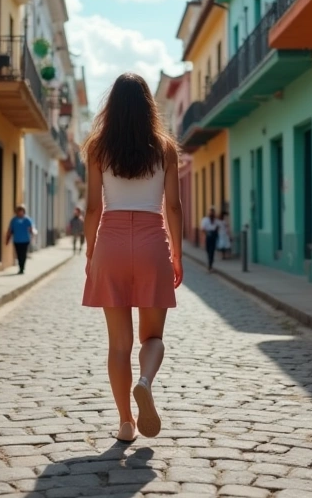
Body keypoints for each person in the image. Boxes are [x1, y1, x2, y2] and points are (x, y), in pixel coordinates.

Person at [81, 73, 183, 443]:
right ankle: (145, 381)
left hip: (111, 239)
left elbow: (93, 207)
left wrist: (92, 251)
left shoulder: (97, 148)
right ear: (148, 107)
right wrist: (178, 254)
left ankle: (126, 422)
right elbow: (173, 205)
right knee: (152, 337)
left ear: (112, 108)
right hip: (153, 240)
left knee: (118, 344)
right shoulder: (165, 148)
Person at [5, 204, 36, 275]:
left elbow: (31, 229)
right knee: (18, 254)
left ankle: (22, 267)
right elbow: (10, 230)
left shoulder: (27, 219)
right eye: (19, 211)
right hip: (17, 240)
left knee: (23, 254)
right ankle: (20, 267)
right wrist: (7, 239)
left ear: (23, 212)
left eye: (21, 211)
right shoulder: (14, 220)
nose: (20, 213)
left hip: (25, 240)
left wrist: (33, 236)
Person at [201, 206, 218, 271]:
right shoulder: (205, 220)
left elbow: (217, 227)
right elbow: (203, 229)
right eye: (211, 212)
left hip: (214, 235)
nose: (212, 213)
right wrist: (206, 235)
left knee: (212, 251)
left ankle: (210, 264)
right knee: (208, 250)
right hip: (208, 235)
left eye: (213, 212)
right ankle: (209, 263)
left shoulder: (216, 220)